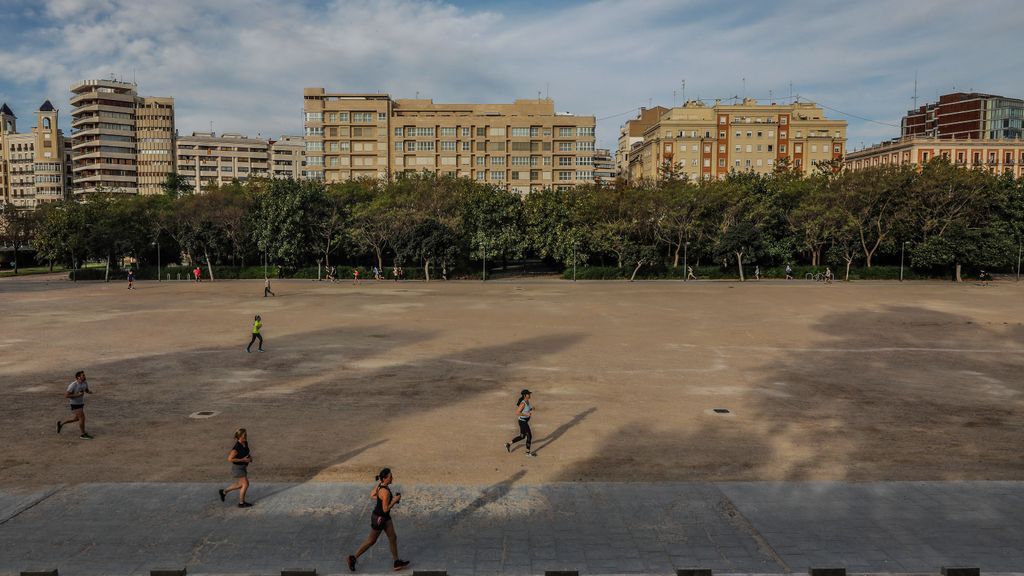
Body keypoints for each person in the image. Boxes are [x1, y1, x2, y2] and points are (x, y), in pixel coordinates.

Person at [347, 468, 410, 572]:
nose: (392, 478)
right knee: (371, 541)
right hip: (379, 518)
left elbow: (372, 495)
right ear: (385, 479)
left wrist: (382, 499)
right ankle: (353, 558)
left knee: (393, 537)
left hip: (384, 518)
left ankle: (396, 562)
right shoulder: (385, 492)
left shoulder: (380, 485)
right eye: (390, 477)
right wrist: (394, 500)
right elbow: (385, 509)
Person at [219, 428, 254, 508]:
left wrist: (250, 458)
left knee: (240, 484)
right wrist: (243, 460)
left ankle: (224, 491)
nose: (246, 436)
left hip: (243, 467)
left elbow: (247, 452)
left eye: (246, 434)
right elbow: (230, 459)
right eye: (244, 435)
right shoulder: (236, 448)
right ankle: (241, 503)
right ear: (240, 436)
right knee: (245, 484)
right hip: (238, 468)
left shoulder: (245, 442)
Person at [57, 370, 93, 439]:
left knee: (76, 419)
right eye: (83, 375)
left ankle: (61, 424)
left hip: (81, 403)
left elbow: (86, 389)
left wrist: (89, 392)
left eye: (84, 375)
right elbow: (66, 395)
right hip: (75, 404)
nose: (84, 376)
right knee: (82, 418)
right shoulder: (73, 385)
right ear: (78, 377)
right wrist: (77, 395)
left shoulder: (84, 382)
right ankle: (83, 434)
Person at [505, 389, 536, 457]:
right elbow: (517, 412)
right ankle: (527, 453)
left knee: (522, 436)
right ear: (525, 395)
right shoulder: (522, 403)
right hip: (523, 422)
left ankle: (508, 444)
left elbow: (526, 409)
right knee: (529, 436)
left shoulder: (527, 401)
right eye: (528, 394)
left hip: (524, 421)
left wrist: (531, 408)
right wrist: (526, 415)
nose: (530, 395)